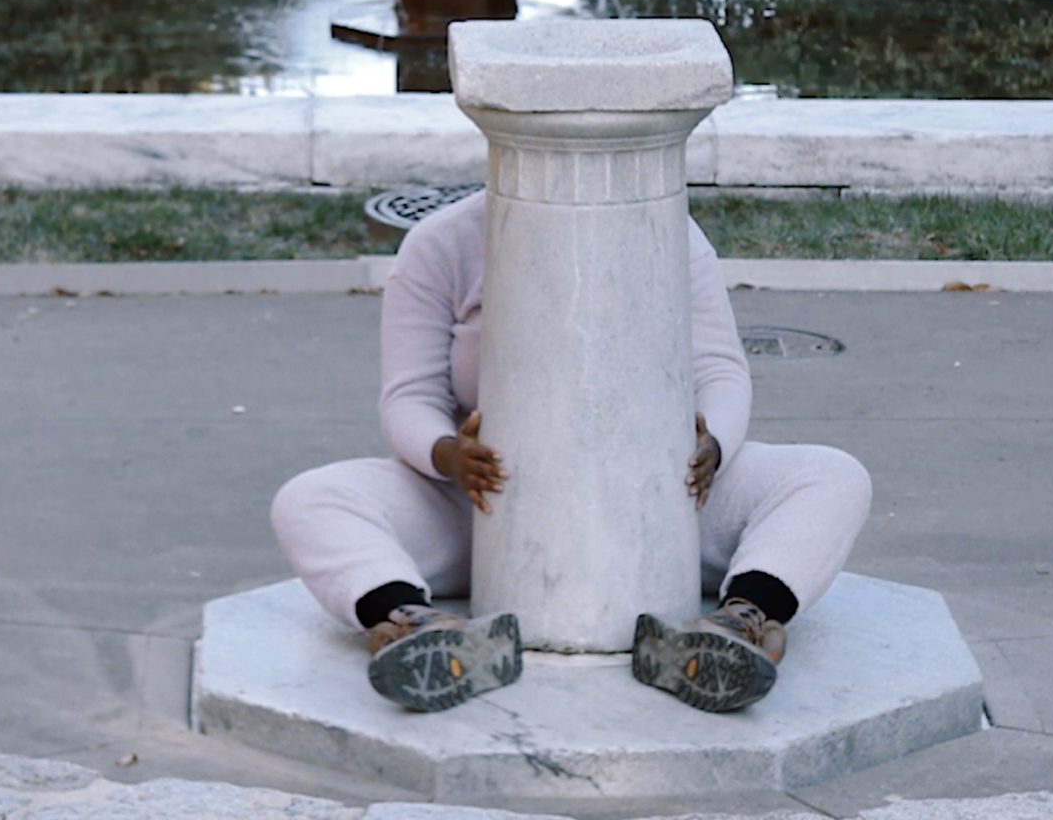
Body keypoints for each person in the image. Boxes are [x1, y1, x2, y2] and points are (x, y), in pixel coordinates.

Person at [270, 191, 871, 713]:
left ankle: (736, 625)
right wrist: (447, 453)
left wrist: (714, 440)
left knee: (830, 475)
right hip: (486, 506)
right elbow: (410, 395)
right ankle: (419, 633)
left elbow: (718, 367)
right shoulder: (443, 243)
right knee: (312, 499)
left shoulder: (673, 232)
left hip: (663, 500)